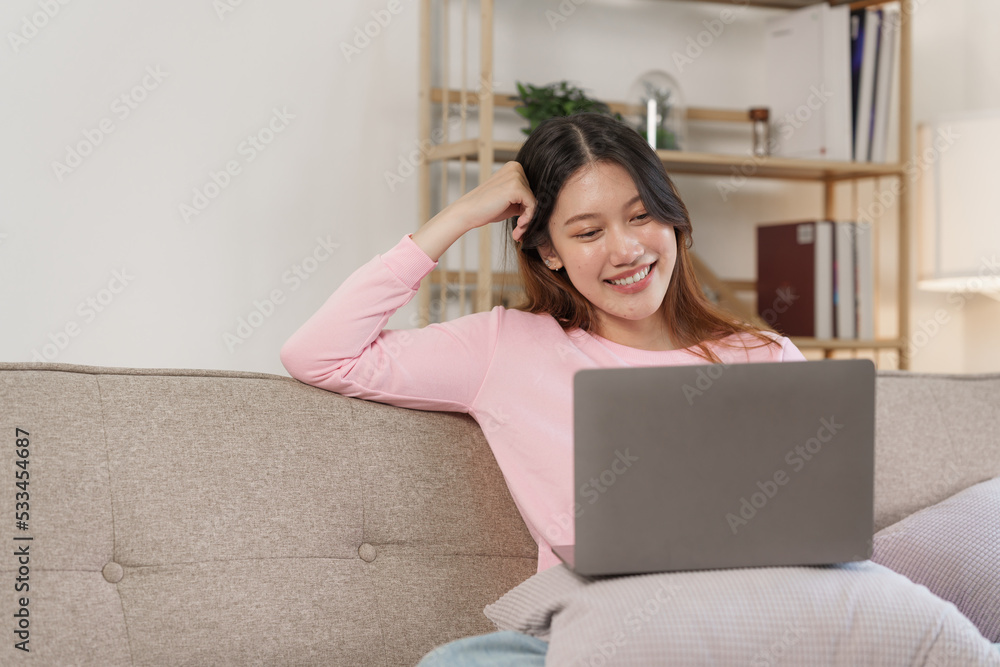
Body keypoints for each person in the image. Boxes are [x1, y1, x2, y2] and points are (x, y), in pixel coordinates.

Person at [279, 112, 806, 665]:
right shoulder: (506, 348)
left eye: (641, 215)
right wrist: (459, 215)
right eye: (588, 232)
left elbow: (823, 527)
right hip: (597, 637)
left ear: (672, 217)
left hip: (748, 625)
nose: (625, 250)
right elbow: (319, 353)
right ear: (549, 251)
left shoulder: (767, 356)